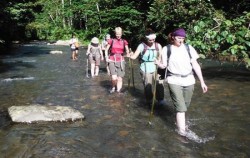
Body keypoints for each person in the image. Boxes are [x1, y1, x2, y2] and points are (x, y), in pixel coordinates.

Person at [155, 28, 208, 136]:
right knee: (181, 108)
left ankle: (179, 122)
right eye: (179, 38)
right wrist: (158, 63)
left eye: (183, 38)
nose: (181, 40)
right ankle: (182, 133)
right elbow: (164, 65)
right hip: (174, 80)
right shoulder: (167, 49)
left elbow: (196, 65)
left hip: (189, 80)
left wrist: (202, 82)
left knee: (184, 106)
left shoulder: (189, 48)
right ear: (173, 37)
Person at [127, 29, 166, 106]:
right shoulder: (141, 46)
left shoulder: (158, 45)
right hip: (145, 68)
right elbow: (134, 56)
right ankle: (149, 100)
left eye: (154, 39)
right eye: (150, 40)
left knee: (160, 85)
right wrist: (130, 55)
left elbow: (161, 58)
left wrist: (161, 65)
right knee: (148, 86)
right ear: (146, 38)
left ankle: (160, 99)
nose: (152, 41)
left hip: (157, 68)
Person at [105, 27, 129, 94]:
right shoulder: (111, 41)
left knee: (120, 78)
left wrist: (128, 54)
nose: (118, 35)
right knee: (114, 78)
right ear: (115, 34)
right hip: (112, 60)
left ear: (122, 34)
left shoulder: (124, 41)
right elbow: (106, 50)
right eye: (117, 34)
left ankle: (118, 91)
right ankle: (113, 87)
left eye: (120, 34)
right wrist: (106, 57)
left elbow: (127, 51)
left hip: (121, 60)